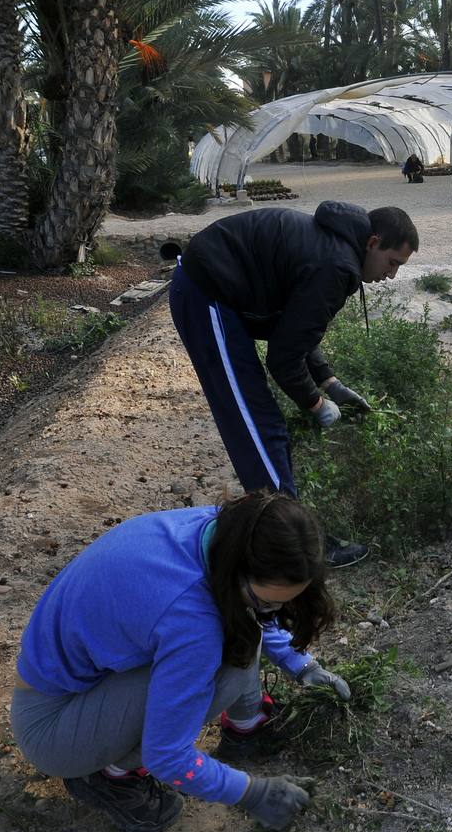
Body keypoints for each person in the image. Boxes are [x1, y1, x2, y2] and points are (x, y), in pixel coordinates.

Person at [10, 491, 351, 832]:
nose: (272, 614)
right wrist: (253, 792)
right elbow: (167, 757)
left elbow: (258, 608)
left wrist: (304, 667)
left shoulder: (226, 532)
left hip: (78, 687)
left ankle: (248, 723)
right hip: (52, 729)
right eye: (266, 601)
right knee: (230, 649)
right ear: (240, 569)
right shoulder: (191, 621)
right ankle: (109, 773)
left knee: (240, 626)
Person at [170, 204, 418, 567]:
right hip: (207, 295)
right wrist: (317, 406)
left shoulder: (335, 246)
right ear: (374, 242)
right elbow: (283, 359)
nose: (392, 275)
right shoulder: (336, 265)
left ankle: (286, 528)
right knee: (257, 426)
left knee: (268, 428)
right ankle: (294, 547)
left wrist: (329, 382)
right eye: (392, 262)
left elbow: (295, 327)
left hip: (221, 293)